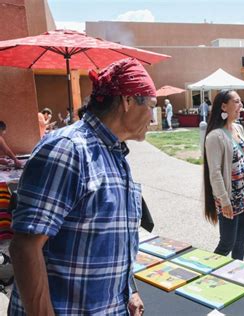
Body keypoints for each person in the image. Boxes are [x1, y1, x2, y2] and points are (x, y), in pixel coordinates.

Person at [8, 57, 157, 315]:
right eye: (151, 106)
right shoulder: (69, 149)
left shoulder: (114, 154)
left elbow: (110, 239)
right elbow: (25, 246)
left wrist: (128, 290)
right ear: (128, 100)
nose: (153, 117)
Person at [203, 90, 244, 260]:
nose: (241, 106)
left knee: (242, 240)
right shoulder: (214, 136)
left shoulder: (239, 128)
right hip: (230, 199)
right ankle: (209, 274)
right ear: (224, 106)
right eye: (237, 102)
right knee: (227, 242)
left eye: (241, 102)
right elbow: (215, 172)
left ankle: (236, 274)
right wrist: (224, 201)